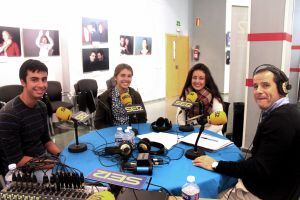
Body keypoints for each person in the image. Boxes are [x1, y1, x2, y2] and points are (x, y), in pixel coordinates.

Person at [193, 64, 300, 200]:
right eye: (255, 86)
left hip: (261, 194)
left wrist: (215, 164)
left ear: (282, 88)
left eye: (265, 85)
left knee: (196, 195)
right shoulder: (287, 112)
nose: (258, 91)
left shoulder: (281, 120)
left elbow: (259, 168)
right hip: (277, 189)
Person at [0, 59, 61, 175]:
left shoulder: (41, 106)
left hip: (42, 160)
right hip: (21, 171)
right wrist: (53, 163)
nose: (41, 85)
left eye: (44, 79)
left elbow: (46, 141)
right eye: (34, 79)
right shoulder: (9, 115)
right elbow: (17, 161)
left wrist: (62, 156)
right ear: (23, 82)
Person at [94, 63, 147, 129]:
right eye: (122, 75)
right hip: (113, 133)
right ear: (115, 77)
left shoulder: (135, 95)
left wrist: (135, 130)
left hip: (131, 132)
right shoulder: (105, 97)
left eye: (129, 76)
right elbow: (98, 123)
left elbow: (142, 118)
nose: (126, 79)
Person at [176, 63, 224, 134]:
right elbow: (180, 117)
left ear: (206, 80)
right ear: (190, 79)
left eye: (201, 78)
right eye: (194, 78)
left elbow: (218, 124)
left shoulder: (214, 97)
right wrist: (185, 130)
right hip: (190, 132)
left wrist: (203, 134)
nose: (197, 81)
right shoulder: (186, 95)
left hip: (210, 133)